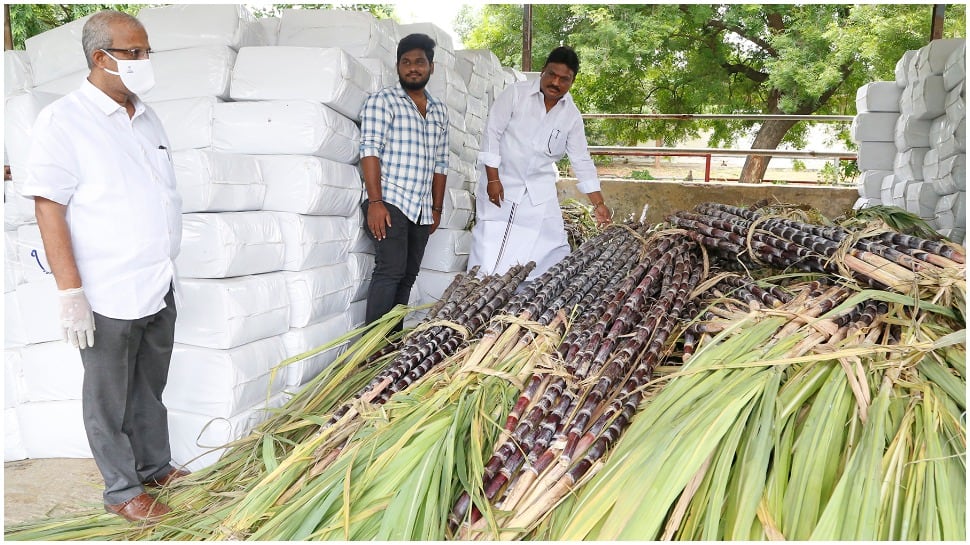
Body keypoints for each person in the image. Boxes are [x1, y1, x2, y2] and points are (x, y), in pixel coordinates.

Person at [21, 10, 186, 523]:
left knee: (149, 387)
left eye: (146, 53)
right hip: (107, 289)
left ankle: (155, 466)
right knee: (108, 397)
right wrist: (71, 293)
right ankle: (121, 490)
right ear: (101, 57)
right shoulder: (64, 120)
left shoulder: (148, 116)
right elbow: (49, 205)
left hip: (157, 282)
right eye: (133, 54)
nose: (144, 62)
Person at [468, 46, 612, 280]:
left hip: (539, 190)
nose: (555, 82)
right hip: (502, 183)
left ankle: (528, 301)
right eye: (551, 74)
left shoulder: (571, 115)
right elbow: (492, 133)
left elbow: (581, 159)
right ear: (543, 71)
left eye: (563, 79)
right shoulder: (516, 94)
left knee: (552, 244)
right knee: (491, 245)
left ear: (572, 82)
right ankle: (476, 292)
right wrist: (493, 178)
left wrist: (598, 204)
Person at [359, 33, 448, 330]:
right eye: (406, 62)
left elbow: (440, 163)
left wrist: (436, 209)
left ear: (431, 67)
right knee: (390, 271)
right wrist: (375, 202)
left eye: (419, 62)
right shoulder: (383, 101)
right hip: (390, 201)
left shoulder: (438, 111)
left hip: (421, 209)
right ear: (397, 67)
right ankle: (371, 354)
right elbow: (369, 150)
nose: (413, 68)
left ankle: (391, 344)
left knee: (408, 275)